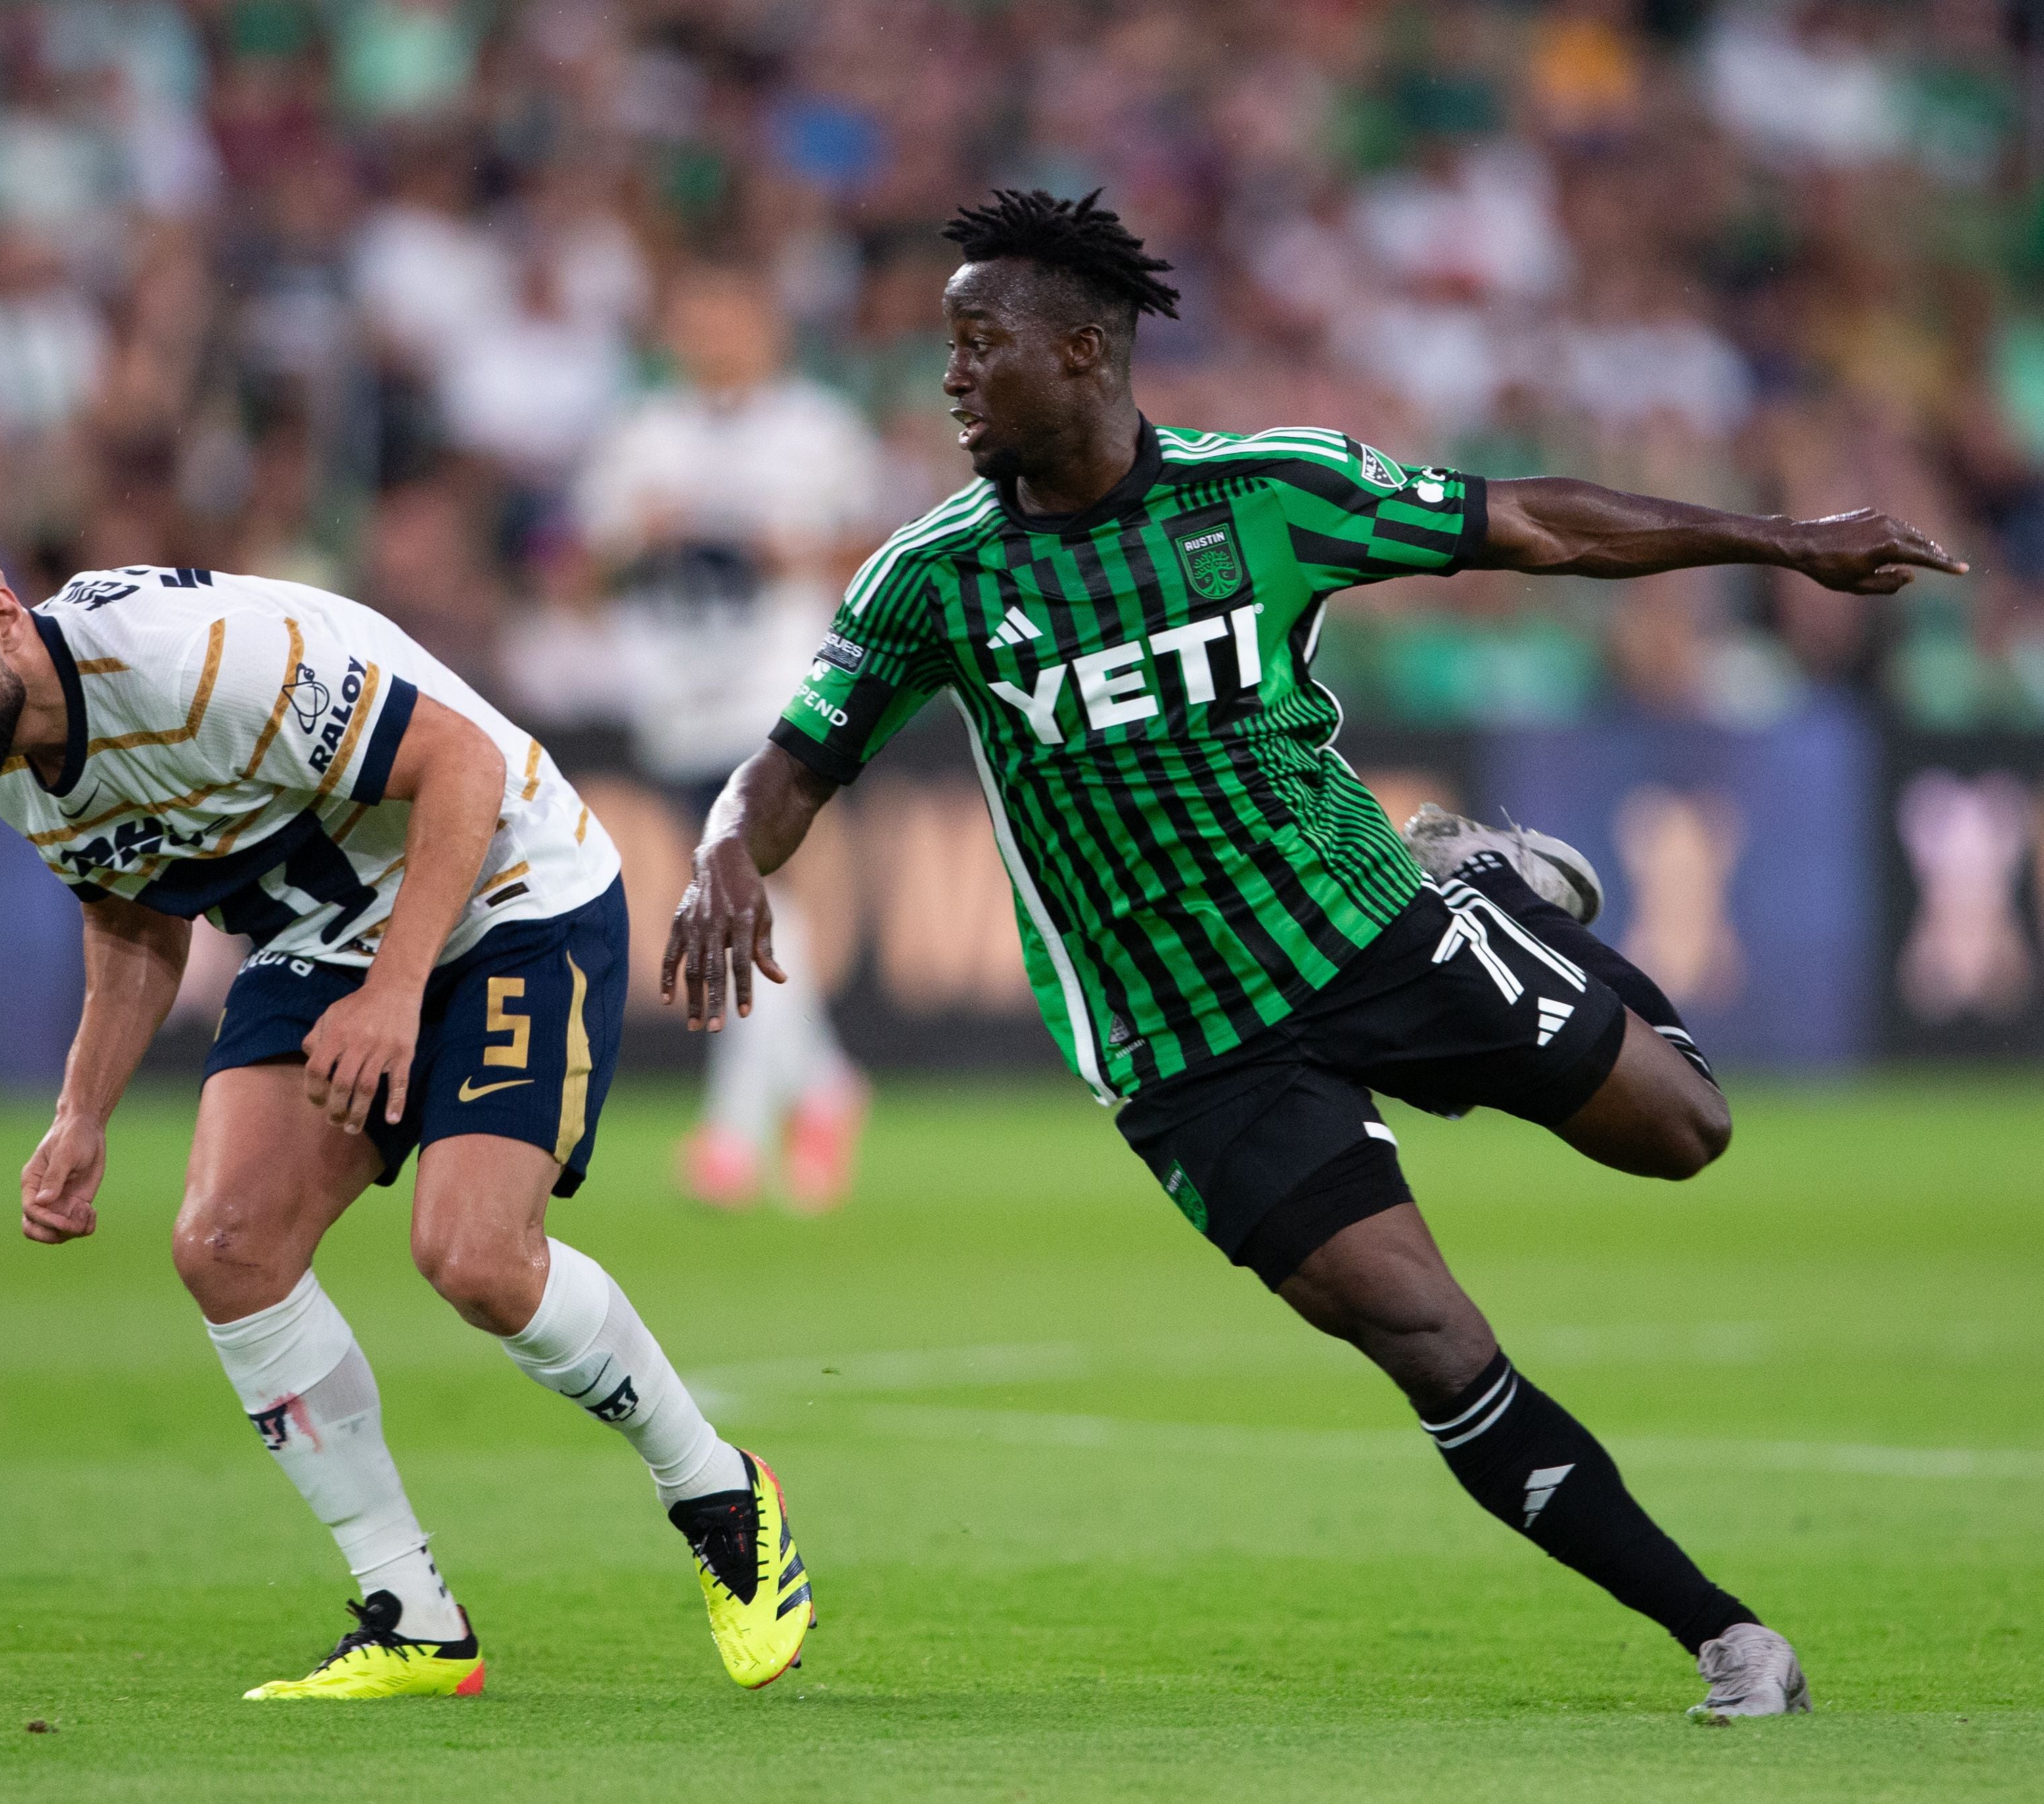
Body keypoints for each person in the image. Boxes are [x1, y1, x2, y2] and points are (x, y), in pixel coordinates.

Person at [664, 189, 1968, 1722]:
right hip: (1184, 1046)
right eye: (941, 349)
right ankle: (1726, 1636)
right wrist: (722, 853)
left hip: (1371, 929)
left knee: (1684, 1130)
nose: (944, 378)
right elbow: (792, 761)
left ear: (1081, 351)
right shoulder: (932, 578)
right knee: (1422, 1333)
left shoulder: (1265, 492)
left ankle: (1490, 890)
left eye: (973, 344)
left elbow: (1525, 522)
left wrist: (1784, 543)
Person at [0, 503, 813, 1698]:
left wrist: (394, 992)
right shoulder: (5, 763)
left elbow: (463, 766)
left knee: (474, 1258)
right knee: (227, 1248)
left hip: (510, 888)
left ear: (4, 617)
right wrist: (83, 1114)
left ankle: (717, 1496)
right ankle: (411, 1615)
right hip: (326, 934)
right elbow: (132, 915)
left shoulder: (193, 658)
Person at [574, 263, 884, 1210]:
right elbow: (585, 569)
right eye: (696, 320)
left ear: (768, 329)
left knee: (748, 885)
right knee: (743, 896)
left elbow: (883, 550)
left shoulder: (819, 430)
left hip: (781, 691)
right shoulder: (641, 438)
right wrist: (639, 542)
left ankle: (733, 1137)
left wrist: (797, 553)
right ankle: (824, 1088)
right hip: (679, 698)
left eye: (729, 318)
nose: (713, 339)